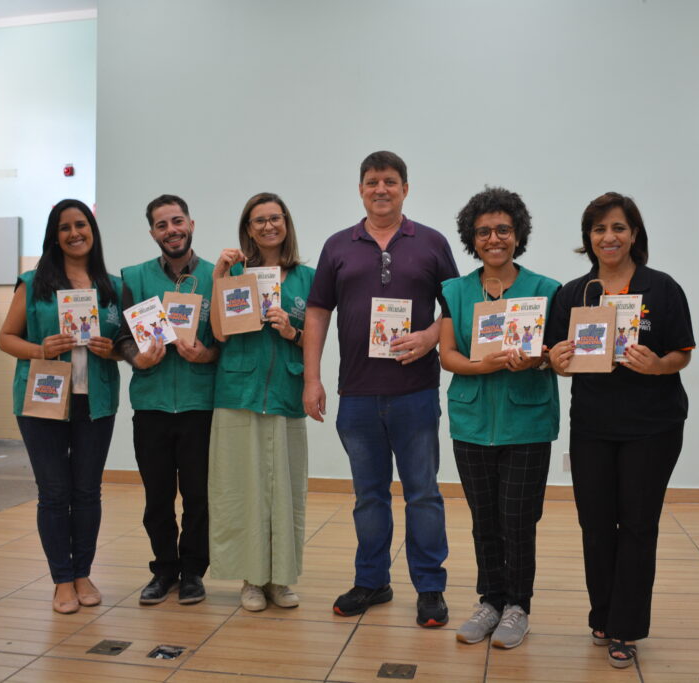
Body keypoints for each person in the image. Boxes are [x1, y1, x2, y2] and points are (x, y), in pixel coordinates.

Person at [303, 151, 459, 627]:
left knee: (423, 494)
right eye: (372, 181)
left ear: (405, 189)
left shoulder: (431, 242)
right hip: (356, 395)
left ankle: (430, 587)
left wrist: (430, 336)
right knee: (368, 497)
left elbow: (457, 307)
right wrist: (312, 378)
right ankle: (372, 582)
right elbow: (317, 314)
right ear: (360, 189)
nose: (381, 189)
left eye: (390, 181)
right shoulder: (337, 246)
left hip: (415, 391)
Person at [547, 192, 694, 668]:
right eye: (599, 229)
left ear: (634, 235)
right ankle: (603, 615)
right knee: (595, 524)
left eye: (618, 228)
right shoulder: (574, 293)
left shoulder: (662, 288)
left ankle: (625, 628)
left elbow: (682, 353)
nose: (608, 237)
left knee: (637, 525)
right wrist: (558, 361)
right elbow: (556, 358)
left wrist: (658, 365)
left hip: (653, 426)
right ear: (588, 238)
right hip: (592, 426)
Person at [439, 187, 560, 649]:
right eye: (484, 231)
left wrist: (538, 359)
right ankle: (490, 601)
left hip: (527, 423)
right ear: (472, 238)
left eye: (503, 229)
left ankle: (517, 607)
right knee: (484, 519)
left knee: (518, 519)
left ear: (518, 234)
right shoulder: (453, 291)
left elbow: (557, 356)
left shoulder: (547, 291)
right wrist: (483, 365)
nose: (494, 238)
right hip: (471, 422)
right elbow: (448, 355)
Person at [0, 199, 124, 614]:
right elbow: (5, 338)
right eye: (65, 227)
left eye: (81, 225)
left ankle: (83, 573)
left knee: (87, 491)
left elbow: (126, 343)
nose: (74, 233)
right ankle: (62, 580)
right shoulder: (33, 283)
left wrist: (112, 350)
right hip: (43, 400)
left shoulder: (112, 286)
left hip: (96, 401)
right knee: (54, 492)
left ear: (92, 231)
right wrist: (41, 348)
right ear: (55, 236)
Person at [210, 192, 314, 612]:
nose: (269, 226)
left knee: (286, 492)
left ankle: (280, 579)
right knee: (243, 491)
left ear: (286, 223)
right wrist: (219, 277)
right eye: (259, 220)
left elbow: (315, 341)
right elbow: (219, 333)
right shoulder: (236, 273)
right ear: (248, 229)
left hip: (286, 395)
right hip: (239, 395)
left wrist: (292, 332)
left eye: (275, 218)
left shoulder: (308, 278)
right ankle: (251, 580)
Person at [118, 194, 218, 606]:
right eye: (162, 225)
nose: (171, 230)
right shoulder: (134, 277)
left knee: (199, 497)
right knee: (157, 497)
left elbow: (230, 341)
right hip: (151, 406)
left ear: (191, 224)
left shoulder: (217, 276)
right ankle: (163, 569)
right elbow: (123, 338)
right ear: (152, 233)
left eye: (177, 221)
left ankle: (193, 571)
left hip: (200, 405)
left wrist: (207, 354)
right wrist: (137, 358)